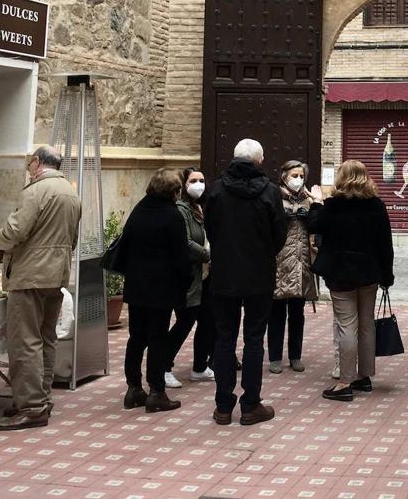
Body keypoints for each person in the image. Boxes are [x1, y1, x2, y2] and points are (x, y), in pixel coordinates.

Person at [0, 146, 81, 431]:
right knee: (46, 337)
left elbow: (16, 230)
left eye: (29, 162)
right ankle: (41, 398)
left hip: (31, 273)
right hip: (57, 272)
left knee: (25, 341)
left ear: (36, 163)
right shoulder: (70, 192)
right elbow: (74, 237)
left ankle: (32, 406)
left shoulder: (35, 191)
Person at [204, 139, 288, 426]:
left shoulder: (216, 189)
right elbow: (280, 234)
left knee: (224, 338)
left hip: (225, 275)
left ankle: (223, 406)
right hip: (258, 275)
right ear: (259, 161)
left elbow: (211, 230)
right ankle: (251, 404)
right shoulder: (270, 192)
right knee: (254, 339)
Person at [309, 160, 393, 402]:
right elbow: (385, 244)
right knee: (366, 323)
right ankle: (364, 377)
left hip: (341, 273)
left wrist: (316, 203)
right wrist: (387, 275)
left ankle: (345, 382)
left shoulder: (334, 205)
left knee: (347, 324)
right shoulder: (376, 205)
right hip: (369, 272)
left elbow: (314, 225)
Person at [118, 167, 192, 412]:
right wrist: (186, 281)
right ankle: (157, 391)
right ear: (174, 190)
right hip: (162, 288)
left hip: (137, 285)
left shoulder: (139, 209)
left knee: (136, 337)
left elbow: (124, 244)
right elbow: (181, 256)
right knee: (157, 339)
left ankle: (133, 388)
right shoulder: (172, 216)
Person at [164, 167, 214, 388]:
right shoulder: (180, 210)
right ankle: (163, 366)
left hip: (204, 275)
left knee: (207, 322)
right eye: (193, 180)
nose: (199, 184)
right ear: (183, 184)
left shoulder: (199, 208)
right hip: (188, 275)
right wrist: (208, 255)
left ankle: (200, 366)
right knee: (184, 322)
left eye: (202, 180)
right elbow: (184, 241)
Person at [268, 160, 317, 374]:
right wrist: (281, 218)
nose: (298, 179)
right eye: (294, 175)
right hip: (279, 262)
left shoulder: (308, 199)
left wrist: (313, 214)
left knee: (297, 313)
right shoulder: (274, 197)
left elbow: (318, 228)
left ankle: (295, 356)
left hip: (301, 262)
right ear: (284, 176)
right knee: (276, 313)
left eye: (301, 176)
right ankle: (275, 357)